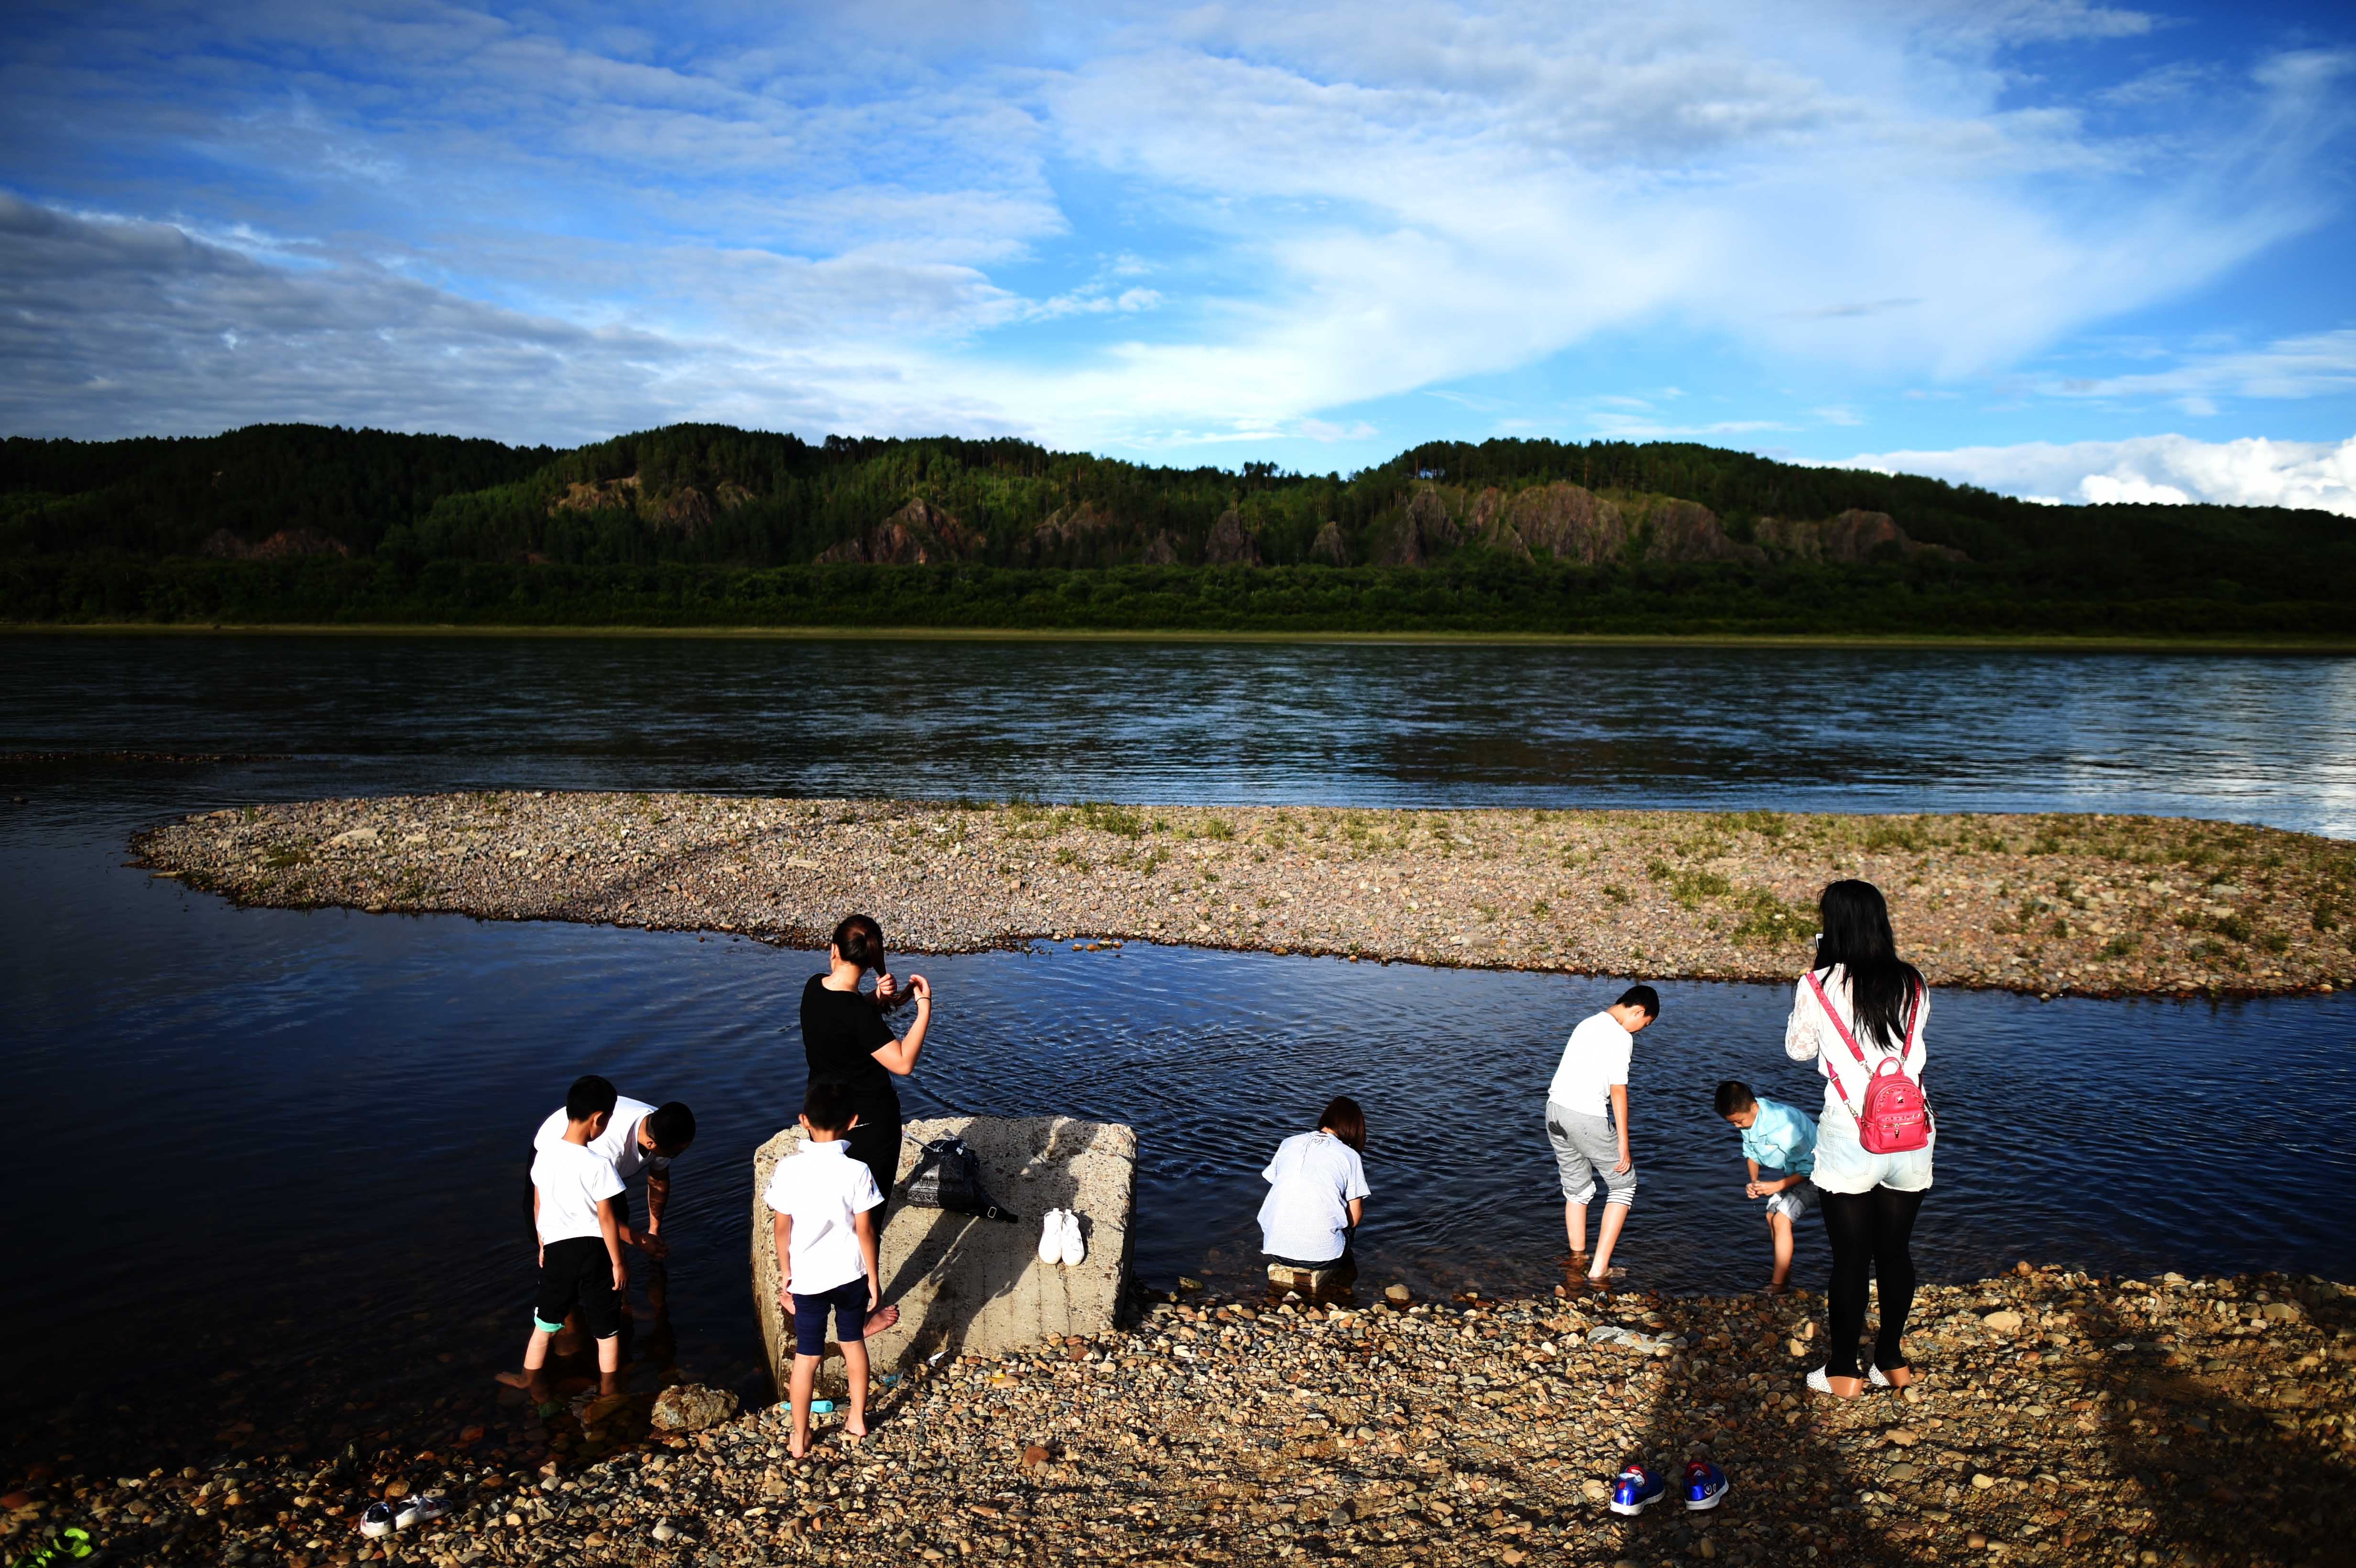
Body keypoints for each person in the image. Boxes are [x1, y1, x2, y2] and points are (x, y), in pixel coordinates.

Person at [1786, 879, 1932, 1398]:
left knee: (1849, 1258)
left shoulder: (1818, 982)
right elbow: (1910, 1048)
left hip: (1851, 1131)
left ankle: (1842, 1370)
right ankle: (1890, 1361)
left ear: (1834, 925)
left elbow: (1798, 1050)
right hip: (1911, 1130)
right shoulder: (1913, 981)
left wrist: (1815, 968)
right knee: (1895, 1252)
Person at [799, 913, 928, 1337]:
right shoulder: (858, 1013)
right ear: (874, 957)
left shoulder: (813, 989)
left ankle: (801, 1291)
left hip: (824, 1119)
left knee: (825, 1209)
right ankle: (861, 1314)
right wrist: (923, 1007)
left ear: (833, 951)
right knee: (864, 1221)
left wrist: (878, 1001)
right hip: (869, 1122)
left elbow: (846, 1018)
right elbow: (903, 1062)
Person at [764, 1078, 885, 1459]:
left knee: (808, 1358)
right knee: (853, 1345)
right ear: (852, 1122)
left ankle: (799, 1438)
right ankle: (858, 1420)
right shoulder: (858, 1170)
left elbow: (781, 1226)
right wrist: (875, 1278)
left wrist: (787, 1272)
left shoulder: (788, 1169)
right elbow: (865, 1230)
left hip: (809, 1280)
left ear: (804, 1120)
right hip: (850, 1275)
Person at [499, 1075, 627, 1401]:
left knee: (546, 1320)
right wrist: (617, 1262)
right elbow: (607, 1218)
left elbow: (538, 1203)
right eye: (608, 1121)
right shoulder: (599, 1165)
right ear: (598, 1120)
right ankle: (609, 1390)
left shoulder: (544, 1155)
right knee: (606, 1327)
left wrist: (543, 1243)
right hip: (595, 1249)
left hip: (558, 1250)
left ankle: (528, 1379)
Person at [1544, 984, 1659, 1291]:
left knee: (1577, 1188)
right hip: (1585, 1116)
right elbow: (1618, 1089)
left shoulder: (1587, 1023)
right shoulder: (1620, 1036)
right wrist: (1624, 1142)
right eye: (1643, 1025)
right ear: (1639, 1011)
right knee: (1625, 1184)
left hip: (1554, 1112)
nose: (1638, 1031)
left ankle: (1577, 1259)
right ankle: (1599, 1269)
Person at [530, 1093, 696, 1263]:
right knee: (569, 1236)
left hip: (602, 1162)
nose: (676, 1156)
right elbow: (592, 1213)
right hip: (556, 1152)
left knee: (619, 1226)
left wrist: (654, 1231)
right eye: (675, 1154)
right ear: (651, 1145)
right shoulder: (606, 1152)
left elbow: (658, 1181)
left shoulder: (664, 1129)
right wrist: (640, 1241)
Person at [1715, 1079, 1819, 1295]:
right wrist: (1754, 1181)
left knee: (1782, 1218)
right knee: (1771, 1215)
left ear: (1754, 1107)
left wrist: (1778, 1186)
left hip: (1820, 1172)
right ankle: (1784, 1271)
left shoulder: (1783, 1127)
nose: (1737, 1127)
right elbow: (1752, 1154)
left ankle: (1778, 1285)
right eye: (1733, 1123)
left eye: (1739, 1122)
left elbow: (1810, 1167)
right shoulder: (1751, 1118)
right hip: (1796, 1171)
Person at [1257, 1097, 1372, 1285]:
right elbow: (1355, 1218)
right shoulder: (1350, 1156)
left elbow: (1277, 1183)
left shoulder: (1289, 1142)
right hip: (1322, 1259)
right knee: (1351, 1212)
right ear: (1355, 1129)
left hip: (1276, 1252)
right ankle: (1342, 1270)